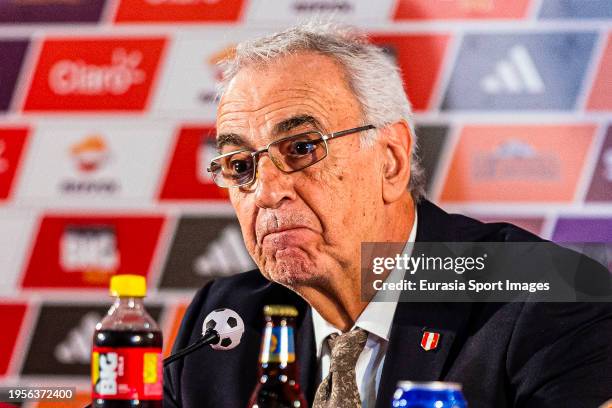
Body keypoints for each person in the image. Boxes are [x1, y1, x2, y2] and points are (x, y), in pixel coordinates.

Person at [163, 22, 612, 408]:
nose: (267, 191)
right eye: (240, 165)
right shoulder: (221, 325)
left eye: (301, 148)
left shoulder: (548, 298)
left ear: (391, 161)